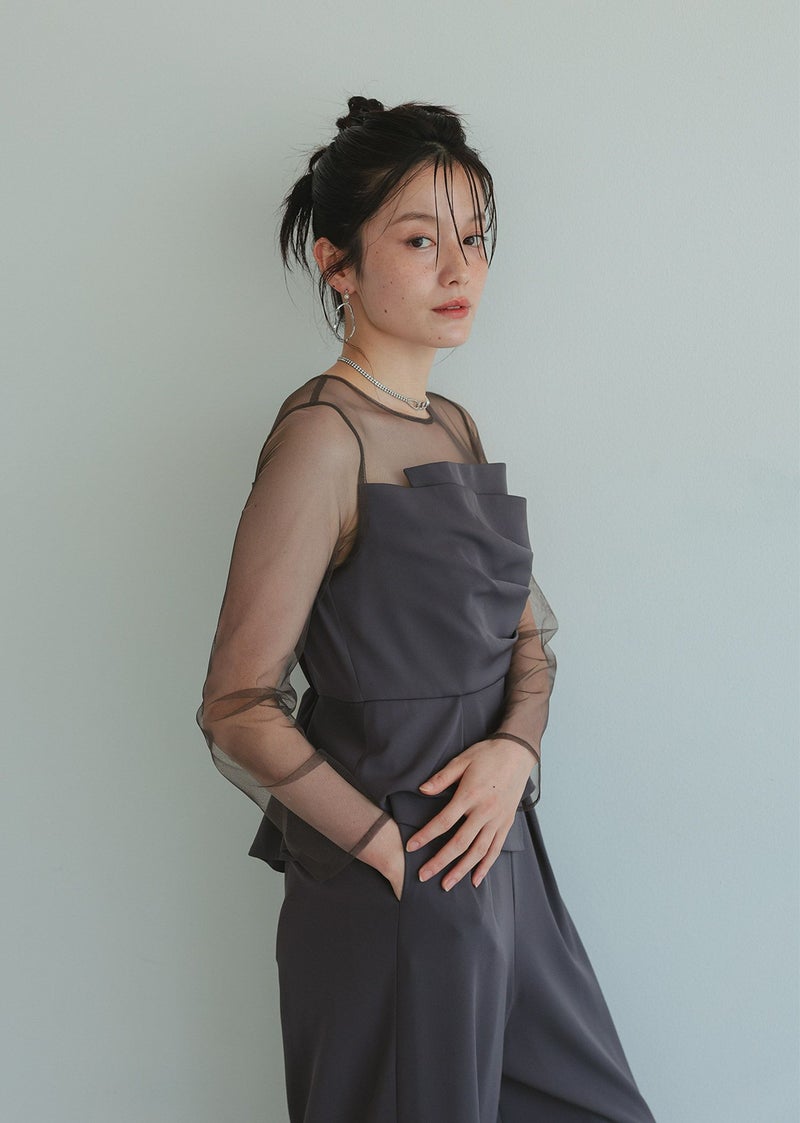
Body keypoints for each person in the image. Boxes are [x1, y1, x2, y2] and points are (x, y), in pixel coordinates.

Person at [196, 96, 656, 1123]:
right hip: (398, 875)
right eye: (418, 240)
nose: (459, 269)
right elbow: (235, 702)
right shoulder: (322, 440)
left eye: (474, 239)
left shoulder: (451, 424)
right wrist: (384, 850)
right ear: (338, 264)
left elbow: (526, 644)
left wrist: (513, 754)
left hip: (504, 854)